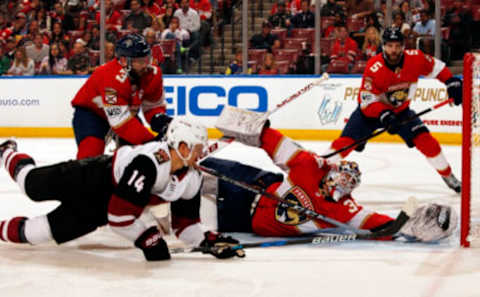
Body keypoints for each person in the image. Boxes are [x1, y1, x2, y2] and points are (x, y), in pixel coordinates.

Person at [0, 118, 245, 261]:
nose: (202, 153)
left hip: (99, 206)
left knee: (37, 233)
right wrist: (146, 238)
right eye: (197, 147)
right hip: (89, 176)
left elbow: (185, 225)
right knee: (30, 184)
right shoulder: (149, 163)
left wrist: (206, 241)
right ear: (181, 146)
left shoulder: (192, 178)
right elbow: (120, 217)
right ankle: (7, 151)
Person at [202, 107, 456, 242]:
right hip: (254, 183)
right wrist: (252, 126)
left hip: (246, 220)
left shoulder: (345, 210)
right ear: (334, 172)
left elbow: (381, 225)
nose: (342, 185)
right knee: (196, 169)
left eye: (349, 184)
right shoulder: (310, 165)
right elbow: (275, 142)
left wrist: (412, 225)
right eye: (342, 177)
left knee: (188, 205)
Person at [326, 27, 463, 193]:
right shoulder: (374, 66)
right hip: (370, 114)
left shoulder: (415, 58)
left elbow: (438, 68)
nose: (394, 50)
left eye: (397, 46)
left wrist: (450, 81)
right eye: (390, 46)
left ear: (403, 46)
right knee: (344, 144)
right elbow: (366, 100)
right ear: (383, 46)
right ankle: (318, 169)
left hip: (401, 112)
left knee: (427, 142)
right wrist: (383, 114)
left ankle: (448, 176)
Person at [71, 33, 169, 160]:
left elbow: (152, 106)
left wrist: (160, 120)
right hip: (92, 115)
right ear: (124, 61)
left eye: (147, 59)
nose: (145, 65)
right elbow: (122, 124)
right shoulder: (109, 77)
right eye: (139, 61)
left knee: (135, 157)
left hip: (125, 114)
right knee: (89, 158)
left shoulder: (152, 74)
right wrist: (152, 141)